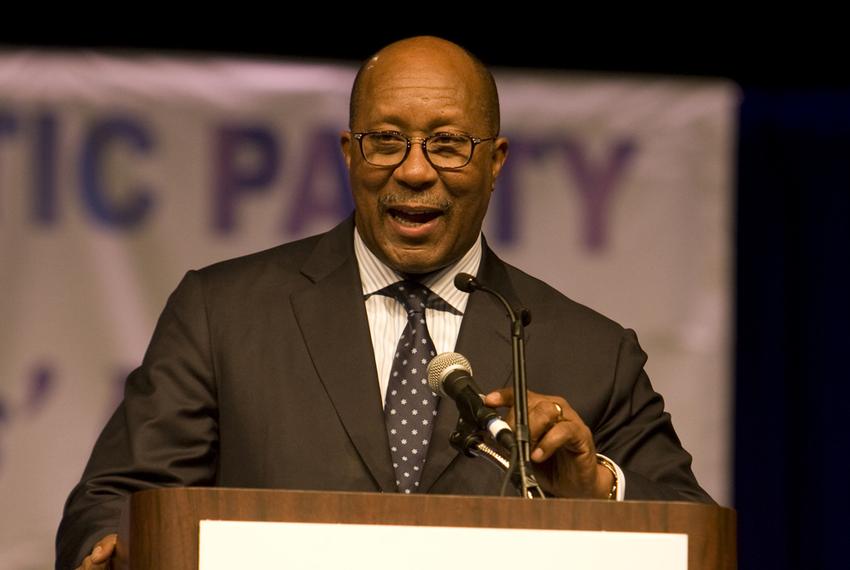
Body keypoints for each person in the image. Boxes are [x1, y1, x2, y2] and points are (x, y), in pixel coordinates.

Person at [56, 36, 712, 570]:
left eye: (449, 144)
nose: (416, 170)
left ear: (496, 162)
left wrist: (596, 486)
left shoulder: (592, 352)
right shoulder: (223, 313)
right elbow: (117, 499)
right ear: (349, 153)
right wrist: (109, 552)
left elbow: (688, 533)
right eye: (387, 140)